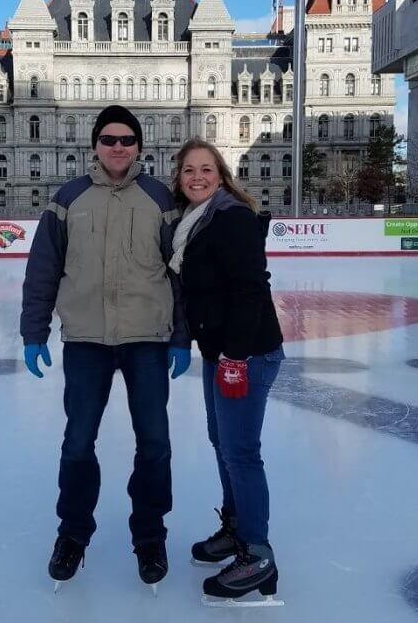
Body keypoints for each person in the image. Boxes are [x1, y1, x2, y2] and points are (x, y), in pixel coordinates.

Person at [21, 104, 191, 592]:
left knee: (155, 445)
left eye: (127, 139)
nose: (119, 147)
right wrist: (34, 331)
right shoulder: (67, 198)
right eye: (110, 139)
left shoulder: (161, 198)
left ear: (139, 145)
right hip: (87, 342)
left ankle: (150, 537)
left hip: (146, 342)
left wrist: (180, 336)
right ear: (95, 144)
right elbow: (43, 269)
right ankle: (72, 534)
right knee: (78, 444)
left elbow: (180, 276)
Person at [169, 137, 285, 605]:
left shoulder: (231, 219)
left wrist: (236, 357)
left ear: (221, 176)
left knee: (241, 453)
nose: (197, 177)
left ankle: (257, 552)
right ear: (178, 180)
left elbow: (250, 291)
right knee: (224, 445)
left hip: (248, 355)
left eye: (207, 169)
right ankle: (236, 531)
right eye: (188, 170)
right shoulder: (194, 223)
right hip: (222, 353)